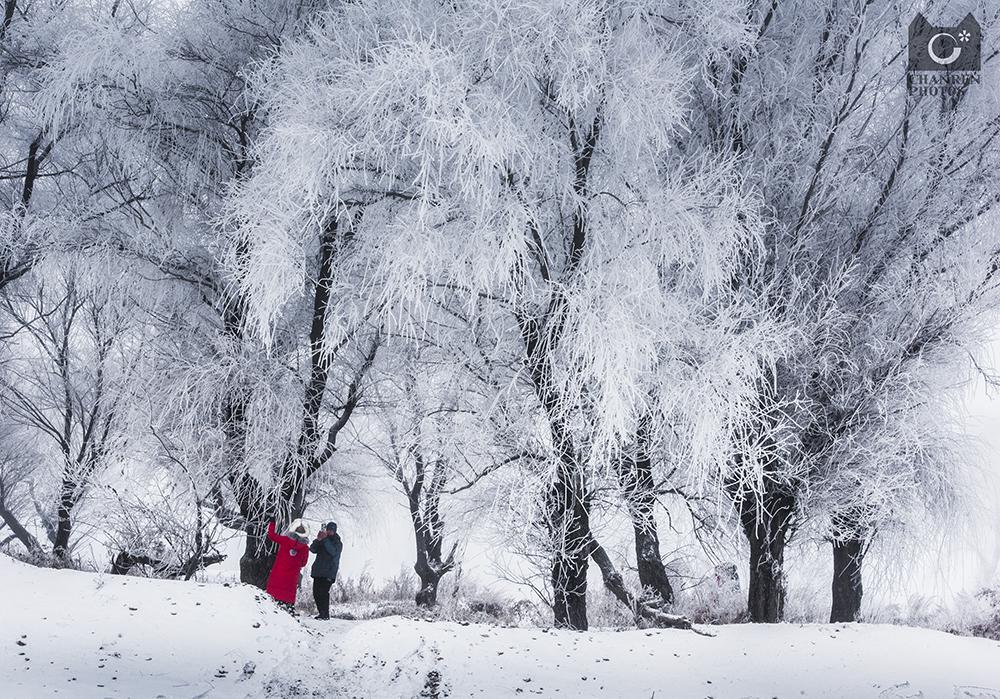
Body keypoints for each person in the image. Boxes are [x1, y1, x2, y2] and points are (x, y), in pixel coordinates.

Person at [265, 519, 310, 611]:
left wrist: (272, 522)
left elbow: (272, 536)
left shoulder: (285, 540)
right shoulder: (305, 548)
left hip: (278, 573)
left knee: (272, 601)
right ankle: (288, 611)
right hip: (292, 577)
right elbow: (303, 563)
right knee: (287, 600)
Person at [309, 521, 343, 620]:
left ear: (335, 531)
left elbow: (333, 552)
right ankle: (322, 613)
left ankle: (325, 614)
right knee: (316, 593)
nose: (329, 532)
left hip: (329, 572)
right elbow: (312, 549)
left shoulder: (338, 542)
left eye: (331, 530)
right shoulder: (323, 539)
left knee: (323, 593)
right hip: (318, 572)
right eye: (328, 530)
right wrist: (318, 539)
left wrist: (325, 539)